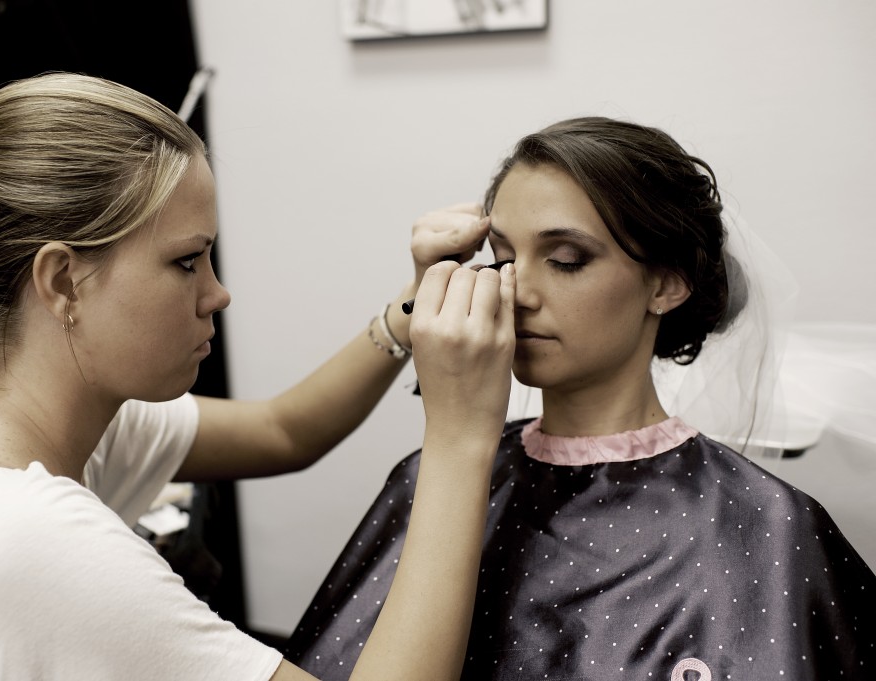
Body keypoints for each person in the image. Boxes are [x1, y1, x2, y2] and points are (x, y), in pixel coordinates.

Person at [0, 72, 519, 680]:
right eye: (187, 262)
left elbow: (283, 430)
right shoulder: (29, 538)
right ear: (62, 282)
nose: (217, 293)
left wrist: (408, 311)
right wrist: (461, 431)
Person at [285, 116, 876, 680]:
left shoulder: (768, 524)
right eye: (504, 259)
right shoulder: (433, 476)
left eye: (567, 260)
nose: (518, 292)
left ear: (667, 284)